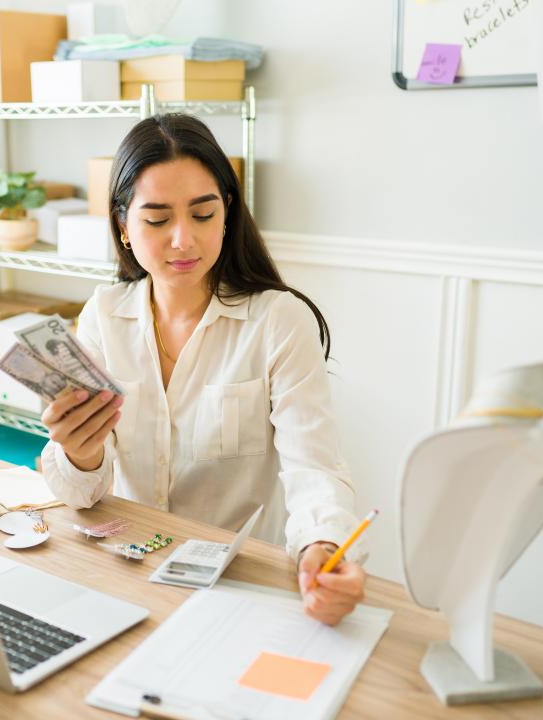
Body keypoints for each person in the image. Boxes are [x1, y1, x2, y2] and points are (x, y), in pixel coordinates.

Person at [39, 114, 366, 625]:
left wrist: (321, 545)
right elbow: (79, 496)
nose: (183, 241)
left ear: (228, 213)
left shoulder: (278, 321)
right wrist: (80, 454)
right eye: (157, 219)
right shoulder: (103, 315)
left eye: (202, 214)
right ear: (124, 227)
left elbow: (315, 469)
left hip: (236, 588)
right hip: (126, 573)